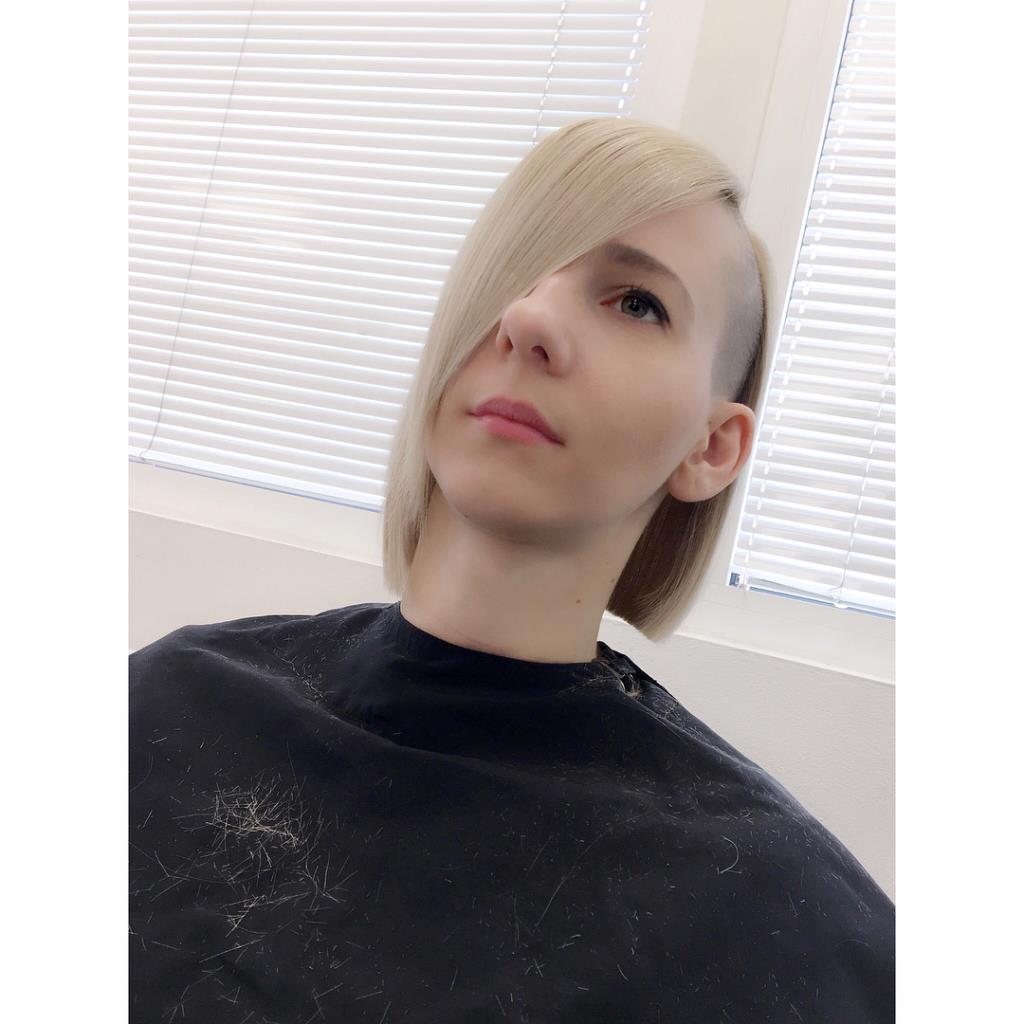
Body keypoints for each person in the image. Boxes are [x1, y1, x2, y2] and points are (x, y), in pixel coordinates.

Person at [130, 117, 895, 1022]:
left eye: (636, 303)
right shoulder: (160, 707)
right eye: (518, 271)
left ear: (712, 447)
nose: (528, 320)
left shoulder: (786, 927)